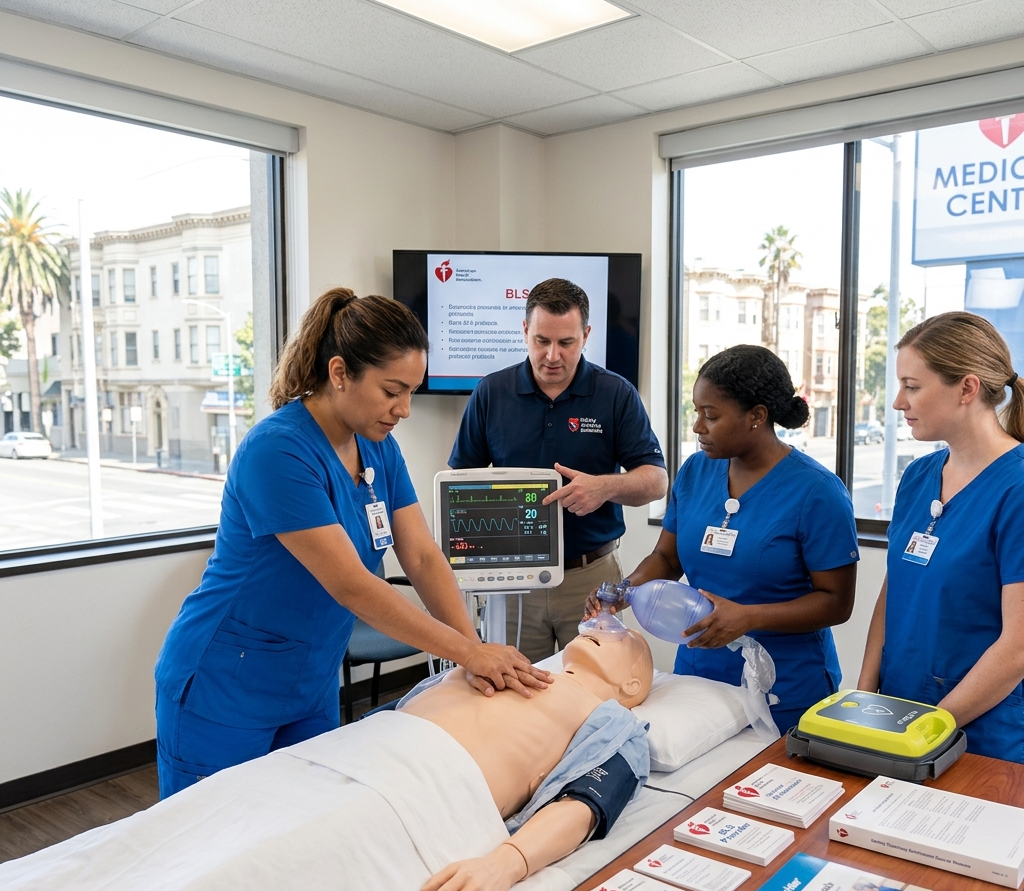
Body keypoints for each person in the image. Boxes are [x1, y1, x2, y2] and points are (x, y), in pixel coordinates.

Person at [154, 287, 551, 798]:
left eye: (411, 392)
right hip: (225, 682)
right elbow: (352, 586)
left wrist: (472, 649)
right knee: (216, 831)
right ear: (339, 373)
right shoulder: (277, 452)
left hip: (309, 679)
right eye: (392, 391)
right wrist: (469, 654)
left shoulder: (378, 448)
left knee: (306, 822)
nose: (404, 409)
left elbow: (422, 556)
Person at [856, 312, 1024, 891]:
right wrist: (861, 698)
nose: (898, 402)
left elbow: (1017, 646)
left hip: (982, 737)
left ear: (967, 389)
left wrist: (933, 728)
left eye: (912, 385)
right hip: (900, 724)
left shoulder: (1017, 488)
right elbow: (893, 593)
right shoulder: (919, 477)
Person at [590, 345, 859, 733]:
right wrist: (624, 590)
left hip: (786, 686)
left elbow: (836, 602)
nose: (698, 427)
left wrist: (749, 617)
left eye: (711, 415)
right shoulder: (696, 471)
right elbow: (667, 558)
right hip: (700, 677)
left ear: (757, 416)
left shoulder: (817, 492)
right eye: (697, 412)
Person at [449, 277, 668, 662]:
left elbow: (656, 481)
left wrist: (604, 487)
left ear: (586, 336)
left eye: (566, 343)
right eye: (541, 341)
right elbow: (458, 484)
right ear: (524, 331)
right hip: (513, 581)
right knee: (516, 685)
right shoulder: (491, 393)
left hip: (589, 578)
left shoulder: (616, 393)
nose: (552, 356)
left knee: (597, 685)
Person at [400, 625, 653, 891]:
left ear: (631, 684)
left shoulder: (618, 726)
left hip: (416, 795)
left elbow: (585, 804)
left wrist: (505, 864)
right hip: (364, 744)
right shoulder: (495, 661)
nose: (602, 625)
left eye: (622, 635)